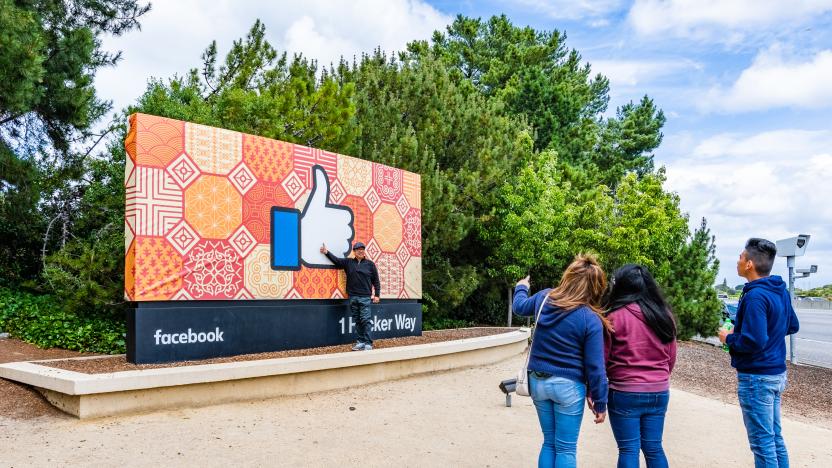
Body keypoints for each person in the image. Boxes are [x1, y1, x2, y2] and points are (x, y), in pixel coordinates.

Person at [513, 254, 609, 468]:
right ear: (596, 288)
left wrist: (521, 286)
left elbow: (519, 307)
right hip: (569, 387)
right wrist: (600, 402)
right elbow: (595, 367)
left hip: (537, 381)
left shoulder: (544, 298)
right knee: (565, 448)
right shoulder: (590, 318)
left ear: (569, 276)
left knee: (549, 443)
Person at [719, 238, 800, 467]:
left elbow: (754, 340)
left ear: (749, 264)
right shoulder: (780, 291)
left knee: (763, 444)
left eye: (740, 257)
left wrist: (729, 337)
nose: (738, 260)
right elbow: (792, 325)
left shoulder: (755, 295)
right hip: (776, 374)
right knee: (774, 439)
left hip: (757, 378)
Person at [604, 264, 677, 468]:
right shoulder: (665, 316)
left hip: (624, 391)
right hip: (659, 391)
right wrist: (656, 379)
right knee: (654, 448)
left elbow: (603, 359)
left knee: (628, 450)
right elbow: (671, 358)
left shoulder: (614, 317)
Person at [320, 241, 381, 351]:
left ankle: (368, 343)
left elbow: (376, 280)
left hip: (365, 297)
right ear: (354, 252)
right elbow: (337, 261)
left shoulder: (370, 264)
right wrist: (326, 252)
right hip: (353, 297)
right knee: (357, 320)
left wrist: (377, 295)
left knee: (365, 320)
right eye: (358, 249)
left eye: (362, 249)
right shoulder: (348, 262)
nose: (361, 251)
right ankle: (360, 342)